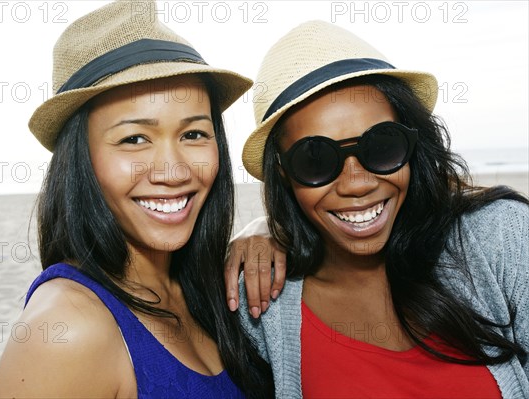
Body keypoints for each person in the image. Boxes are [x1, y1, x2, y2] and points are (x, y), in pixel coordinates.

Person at [224, 20, 529, 398]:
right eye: (316, 160)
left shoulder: (503, 238)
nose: (357, 183)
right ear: (284, 174)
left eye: (382, 146)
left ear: (413, 144)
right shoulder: (262, 302)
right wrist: (261, 229)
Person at [0, 1, 274, 398]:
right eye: (134, 139)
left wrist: (266, 230)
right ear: (81, 160)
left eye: (193, 134)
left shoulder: (208, 291)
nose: (173, 171)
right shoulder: (67, 330)